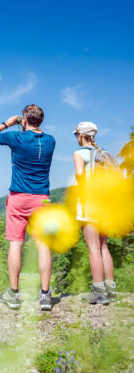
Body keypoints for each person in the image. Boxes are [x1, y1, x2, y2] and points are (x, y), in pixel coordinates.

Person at [0, 104, 56, 310]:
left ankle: (13, 294)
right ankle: (45, 296)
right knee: (43, 245)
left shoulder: (17, 138)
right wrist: (23, 124)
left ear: (24, 120)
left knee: (16, 244)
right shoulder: (50, 141)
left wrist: (8, 123)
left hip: (19, 198)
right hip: (42, 199)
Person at [72, 122, 117, 304]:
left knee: (93, 247)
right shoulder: (106, 155)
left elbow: (80, 177)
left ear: (81, 136)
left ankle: (98, 291)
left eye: (76, 135)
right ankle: (110, 288)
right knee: (103, 246)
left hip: (90, 204)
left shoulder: (79, 154)